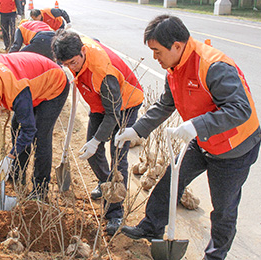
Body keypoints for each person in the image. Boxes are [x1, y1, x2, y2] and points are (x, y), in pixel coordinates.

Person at [115, 15, 260, 260]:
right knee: (171, 181)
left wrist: (197, 124)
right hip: (204, 140)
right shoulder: (174, 67)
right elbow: (165, 105)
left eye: (157, 51)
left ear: (178, 46)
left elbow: (240, 109)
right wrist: (137, 130)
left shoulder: (213, 66)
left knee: (224, 209)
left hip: (234, 148)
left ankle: (214, 256)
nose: (155, 58)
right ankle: (152, 227)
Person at [52, 30, 144, 235]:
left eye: (73, 63)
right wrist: (94, 142)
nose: (70, 67)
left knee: (118, 158)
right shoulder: (77, 47)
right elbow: (95, 41)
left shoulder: (103, 72)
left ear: (83, 52)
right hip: (100, 104)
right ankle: (106, 184)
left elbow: (113, 115)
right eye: (65, 64)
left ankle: (115, 212)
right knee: (93, 155)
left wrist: (97, 140)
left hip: (125, 105)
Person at [0, 52, 69, 200]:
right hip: (30, 82)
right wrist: (0, 102)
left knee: (40, 137)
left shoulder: (17, 91)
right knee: (16, 126)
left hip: (53, 85)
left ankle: (40, 189)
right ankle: (17, 173)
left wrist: (10, 156)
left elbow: (29, 130)